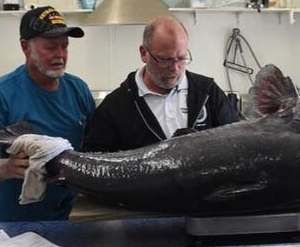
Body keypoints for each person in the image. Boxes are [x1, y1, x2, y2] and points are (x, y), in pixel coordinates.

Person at [0, 6, 95, 222]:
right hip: (20, 221)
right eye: (51, 47)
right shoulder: (1, 96)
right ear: (25, 47)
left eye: (65, 46)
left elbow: (96, 146)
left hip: (75, 215)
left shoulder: (78, 90)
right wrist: (7, 167)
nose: (60, 55)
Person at [83, 15, 238, 152]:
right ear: (144, 53)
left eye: (182, 58)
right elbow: (97, 162)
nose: (175, 69)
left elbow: (236, 145)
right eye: (165, 60)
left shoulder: (208, 93)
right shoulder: (115, 106)